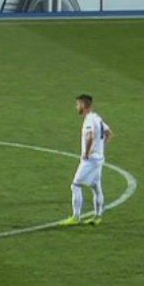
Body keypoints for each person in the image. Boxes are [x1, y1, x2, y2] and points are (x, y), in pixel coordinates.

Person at [61, 94, 113, 226]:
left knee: (75, 185)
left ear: (83, 105)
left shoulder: (89, 120)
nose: (76, 107)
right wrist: (100, 148)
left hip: (90, 160)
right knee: (96, 187)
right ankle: (97, 216)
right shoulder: (97, 118)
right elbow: (109, 134)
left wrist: (87, 152)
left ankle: (76, 217)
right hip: (99, 159)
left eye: (78, 104)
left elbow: (90, 137)